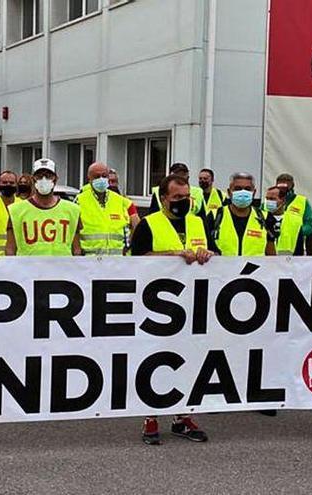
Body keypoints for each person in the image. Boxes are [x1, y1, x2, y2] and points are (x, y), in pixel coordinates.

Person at [130, 174, 214, 445]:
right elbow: (136, 261)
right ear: (163, 198)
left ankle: (183, 417)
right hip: (157, 307)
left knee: (190, 360)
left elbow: (215, 255)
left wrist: (209, 255)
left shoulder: (198, 222)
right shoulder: (148, 225)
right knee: (155, 359)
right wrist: (173, 256)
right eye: (176, 197)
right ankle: (150, 416)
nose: (183, 202)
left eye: (186, 196)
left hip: (191, 305)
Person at [5, 159, 82, 256]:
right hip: (28, 269)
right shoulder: (16, 210)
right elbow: (10, 248)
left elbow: (76, 249)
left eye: (48, 176)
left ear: (55, 179)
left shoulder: (72, 210)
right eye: (39, 176)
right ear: (33, 180)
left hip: (62, 269)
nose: (44, 179)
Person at [76, 162, 140, 256]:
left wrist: (129, 246)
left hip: (117, 261)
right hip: (90, 261)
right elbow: (73, 231)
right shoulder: (80, 201)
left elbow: (137, 227)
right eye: (97, 176)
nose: (101, 179)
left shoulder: (120, 201)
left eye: (104, 176)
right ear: (89, 179)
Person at [211, 173, 277, 257]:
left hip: (255, 269)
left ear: (254, 192)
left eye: (247, 189)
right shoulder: (215, 215)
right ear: (229, 192)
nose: (243, 192)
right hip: (223, 268)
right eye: (237, 189)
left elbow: (271, 256)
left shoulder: (266, 218)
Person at [274, 173, 312, 247]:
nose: (283, 188)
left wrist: (297, 232)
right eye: (280, 185)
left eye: (286, 185)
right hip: (270, 249)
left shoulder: (302, 201)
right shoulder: (269, 201)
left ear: (292, 185)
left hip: (295, 249)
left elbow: (310, 225)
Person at [264, 186, 305, 255]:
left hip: (287, 263)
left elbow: (299, 249)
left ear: (283, 201)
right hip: (263, 262)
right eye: (267, 199)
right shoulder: (260, 217)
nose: (268, 202)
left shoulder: (295, 220)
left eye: (272, 199)